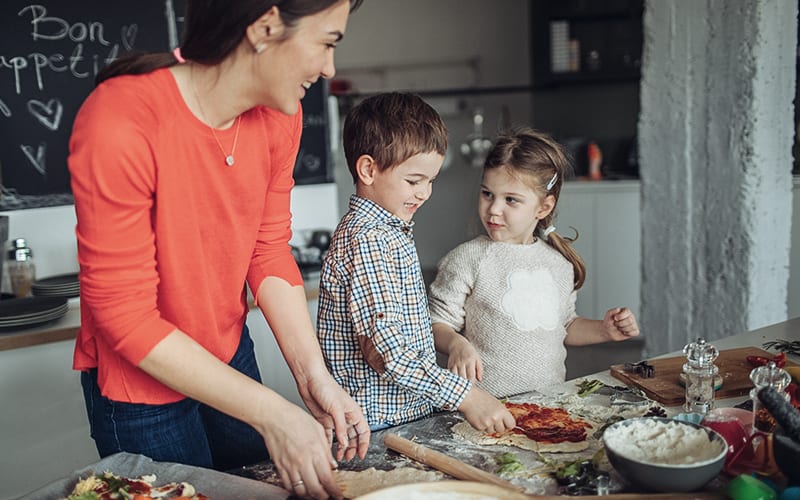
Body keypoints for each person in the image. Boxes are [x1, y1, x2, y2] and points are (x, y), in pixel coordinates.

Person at [68, 1, 368, 498]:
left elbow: (267, 249)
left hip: (229, 355)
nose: (329, 68)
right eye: (327, 42)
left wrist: (313, 376)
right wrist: (272, 413)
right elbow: (124, 316)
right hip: (140, 388)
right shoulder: (120, 117)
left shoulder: (279, 116)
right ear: (266, 27)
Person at [316, 92, 516, 434]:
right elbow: (388, 352)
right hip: (378, 424)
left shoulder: (388, 230)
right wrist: (467, 396)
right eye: (414, 181)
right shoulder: (369, 240)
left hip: (402, 413)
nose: (425, 193)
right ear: (368, 169)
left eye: (431, 181)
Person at [429, 127, 640, 398]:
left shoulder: (559, 264)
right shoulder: (467, 259)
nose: (493, 208)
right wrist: (457, 344)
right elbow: (436, 324)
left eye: (511, 200)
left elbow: (563, 326)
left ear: (544, 207)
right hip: (482, 409)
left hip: (547, 406)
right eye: (487, 193)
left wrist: (605, 330)